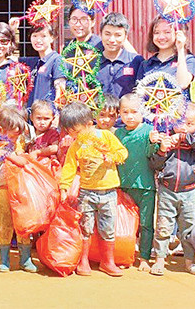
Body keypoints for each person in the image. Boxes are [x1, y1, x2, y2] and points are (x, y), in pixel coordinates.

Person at [59, 102, 128, 277]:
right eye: (70, 132)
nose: (74, 136)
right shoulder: (76, 146)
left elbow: (122, 152)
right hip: (86, 193)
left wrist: (112, 157)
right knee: (85, 227)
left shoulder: (106, 136)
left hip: (109, 192)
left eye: (77, 131)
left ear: (89, 124)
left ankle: (108, 262)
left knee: (108, 228)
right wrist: (64, 188)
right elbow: (69, 167)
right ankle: (84, 261)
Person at [149, 103, 195, 276]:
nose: (183, 126)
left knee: (187, 229)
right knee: (163, 227)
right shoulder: (166, 139)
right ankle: (160, 259)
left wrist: (183, 137)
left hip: (189, 192)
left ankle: (190, 262)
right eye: (180, 122)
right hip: (167, 191)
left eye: (189, 124)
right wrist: (162, 149)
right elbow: (155, 164)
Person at [114, 93, 159, 272]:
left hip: (145, 185)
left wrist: (154, 142)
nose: (130, 116)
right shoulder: (118, 133)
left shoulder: (149, 131)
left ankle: (144, 257)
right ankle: (125, 254)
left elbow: (152, 155)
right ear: (119, 113)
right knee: (124, 222)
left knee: (146, 224)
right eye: (125, 112)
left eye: (134, 111)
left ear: (143, 112)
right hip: (123, 185)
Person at [0, 106, 37, 273]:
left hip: (19, 189)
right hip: (3, 189)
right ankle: (4, 260)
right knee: (4, 223)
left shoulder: (15, 142)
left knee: (23, 223)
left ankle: (25, 259)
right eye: (13, 135)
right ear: (0, 130)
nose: (16, 138)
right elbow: (20, 162)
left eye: (18, 135)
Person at [139, 16, 195, 93]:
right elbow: (139, 92)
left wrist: (180, 49)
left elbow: (182, 84)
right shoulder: (145, 64)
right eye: (156, 33)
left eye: (167, 32)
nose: (161, 37)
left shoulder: (188, 60)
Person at [96, 13, 143, 99]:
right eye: (107, 34)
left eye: (118, 35)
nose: (112, 40)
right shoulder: (92, 62)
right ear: (100, 34)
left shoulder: (135, 61)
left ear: (125, 37)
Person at [17, 22, 65, 107]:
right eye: (34, 36)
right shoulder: (34, 62)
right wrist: (13, 29)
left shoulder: (57, 60)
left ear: (52, 38)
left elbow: (60, 89)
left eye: (43, 36)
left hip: (47, 112)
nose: (38, 40)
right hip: (32, 112)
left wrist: (57, 111)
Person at [26, 100, 61, 174]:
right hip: (31, 166)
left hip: (46, 167)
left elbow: (55, 147)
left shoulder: (52, 133)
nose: (42, 122)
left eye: (46, 119)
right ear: (31, 117)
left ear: (53, 119)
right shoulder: (29, 133)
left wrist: (38, 153)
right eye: (38, 118)